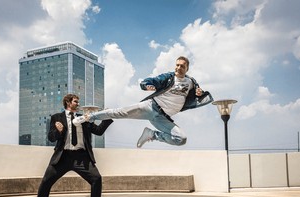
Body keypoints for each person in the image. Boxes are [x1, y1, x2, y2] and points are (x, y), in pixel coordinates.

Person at [73, 56, 213, 148]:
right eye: (177, 65)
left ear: (187, 68)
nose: (178, 68)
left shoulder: (190, 82)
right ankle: (88, 117)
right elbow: (152, 80)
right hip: (150, 107)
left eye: (182, 66)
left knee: (181, 139)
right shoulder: (169, 77)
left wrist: (198, 93)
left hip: (162, 118)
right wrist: (146, 85)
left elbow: (196, 92)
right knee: (118, 113)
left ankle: (151, 135)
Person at [29, 93, 113, 197]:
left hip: (81, 157)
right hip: (62, 157)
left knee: (97, 178)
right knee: (46, 182)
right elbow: (51, 138)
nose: (78, 104)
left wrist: (107, 116)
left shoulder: (83, 118)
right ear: (68, 103)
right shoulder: (57, 117)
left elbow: (98, 131)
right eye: (76, 101)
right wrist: (58, 130)